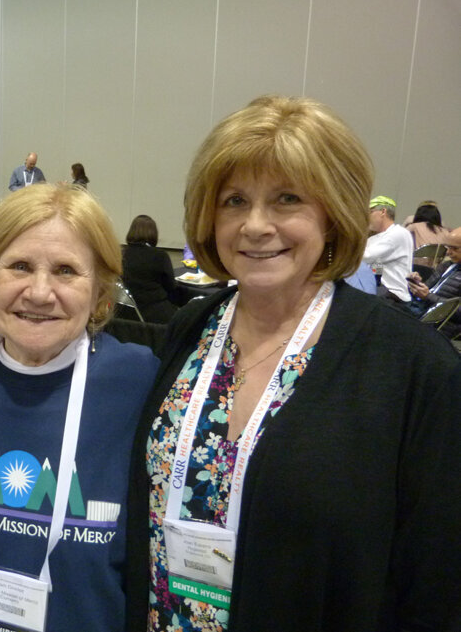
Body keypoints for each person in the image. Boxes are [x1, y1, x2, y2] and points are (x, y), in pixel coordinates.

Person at [125, 95, 461, 632]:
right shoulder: (192, 328)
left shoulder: (412, 369)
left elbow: (436, 581)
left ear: (333, 214)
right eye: (234, 201)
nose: (256, 225)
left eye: (286, 199)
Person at [0, 183, 159, 632]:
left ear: (100, 286)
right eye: (20, 266)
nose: (40, 293)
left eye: (66, 271)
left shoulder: (139, 383)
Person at [121, 214, 186, 323]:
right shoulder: (160, 256)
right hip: (156, 314)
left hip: (127, 313)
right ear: (153, 233)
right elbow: (171, 287)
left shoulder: (120, 254)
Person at [406, 227, 461, 333]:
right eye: (448, 247)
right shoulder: (447, 265)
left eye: (454, 248)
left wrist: (428, 296)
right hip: (423, 312)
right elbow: (429, 290)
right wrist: (417, 284)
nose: (448, 253)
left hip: (442, 323)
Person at [362, 195, 413, 303]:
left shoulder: (398, 233)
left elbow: (366, 257)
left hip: (393, 294)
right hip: (379, 289)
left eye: (370, 212)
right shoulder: (375, 238)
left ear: (383, 212)